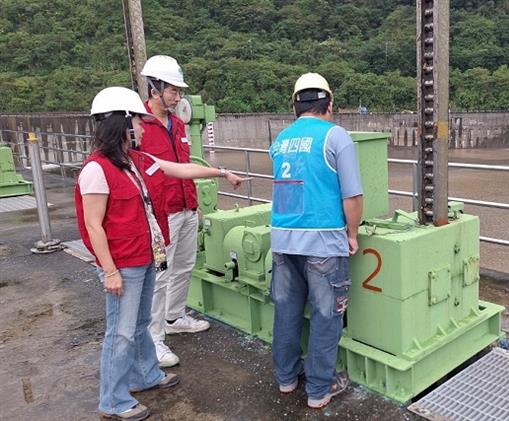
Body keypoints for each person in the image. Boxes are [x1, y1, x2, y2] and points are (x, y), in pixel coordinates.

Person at [75, 87, 245, 420]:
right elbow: (93, 226)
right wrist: (109, 271)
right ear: (121, 123)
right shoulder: (97, 170)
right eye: (137, 121)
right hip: (123, 264)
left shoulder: (137, 162)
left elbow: (179, 170)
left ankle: (145, 375)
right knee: (120, 332)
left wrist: (221, 173)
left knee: (140, 324)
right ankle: (113, 400)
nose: (141, 128)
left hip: (146, 257)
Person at [269, 73, 363, 409]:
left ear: (295, 104)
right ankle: (320, 390)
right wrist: (351, 234)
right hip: (323, 241)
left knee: (286, 311)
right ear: (330, 103)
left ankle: (286, 378)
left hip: (282, 240)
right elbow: (352, 195)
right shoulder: (336, 137)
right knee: (326, 315)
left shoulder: (280, 140)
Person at [138, 55, 209, 368]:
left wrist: (198, 206)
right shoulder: (137, 124)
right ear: (155, 88)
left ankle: (175, 317)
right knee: (160, 276)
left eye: (180, 91)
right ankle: (154, 340)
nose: (178, 97)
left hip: (187, 209)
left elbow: (185, 169)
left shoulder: (178, 124)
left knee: (184, 266)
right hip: (161, 215)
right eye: (173, 91)